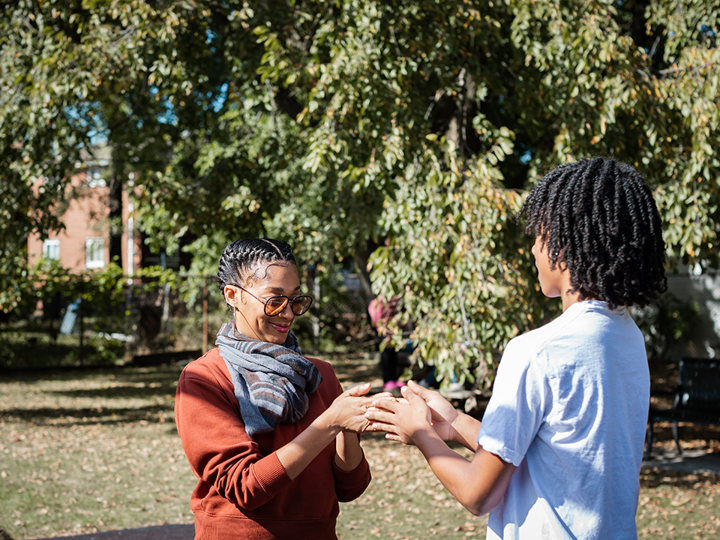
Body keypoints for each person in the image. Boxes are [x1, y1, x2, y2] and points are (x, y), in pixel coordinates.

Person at [365, 157, 667, 539]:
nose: (533, 251)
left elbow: (479, 494)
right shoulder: (628, 337)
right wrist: (454, 423)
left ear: (563, 240)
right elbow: (550, 458)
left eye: (538, 237)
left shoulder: (537, 351)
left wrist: (420, 434)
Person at [175, 238, 375, 539]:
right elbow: (245, 488)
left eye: (296, 300)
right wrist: (330, 422)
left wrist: (347, 428)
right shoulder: (205, 379)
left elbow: (350, 488)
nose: (288, 313)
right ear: (233, 295)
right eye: (274, 300)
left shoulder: (320, 376)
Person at [368, 296, 404, 390]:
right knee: (386, 355)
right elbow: (377, 316)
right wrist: (384, 330)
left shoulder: (393, 300)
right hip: (383, 330)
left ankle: (394, 379)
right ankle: (387, 380)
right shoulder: (380, 301)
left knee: (393, 354)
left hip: (392, 331)